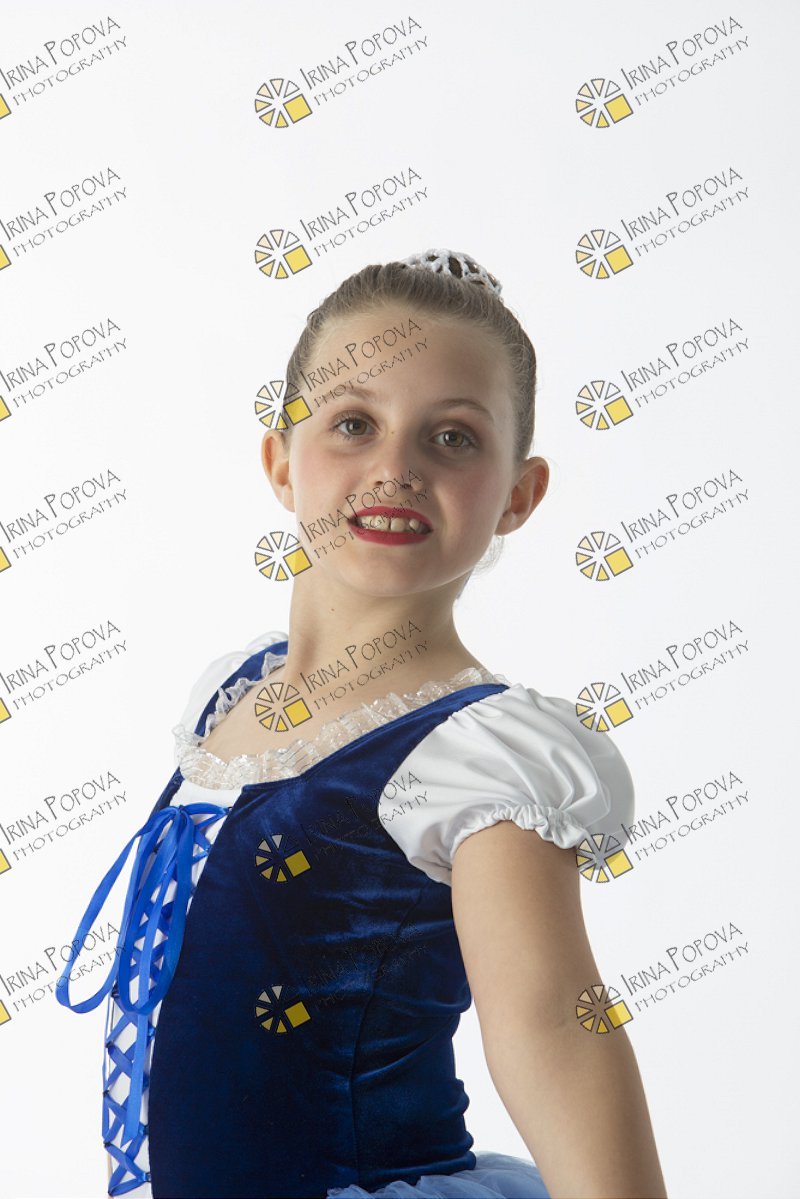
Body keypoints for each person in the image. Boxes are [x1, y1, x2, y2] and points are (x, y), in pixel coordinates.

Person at [56, 249, 667, 1198]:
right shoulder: (233, 695)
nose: (395, 469)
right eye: (353, 424)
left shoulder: (480, 759)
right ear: (280, 461)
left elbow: (554, 1026)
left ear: (519, 493)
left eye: (452, 438)